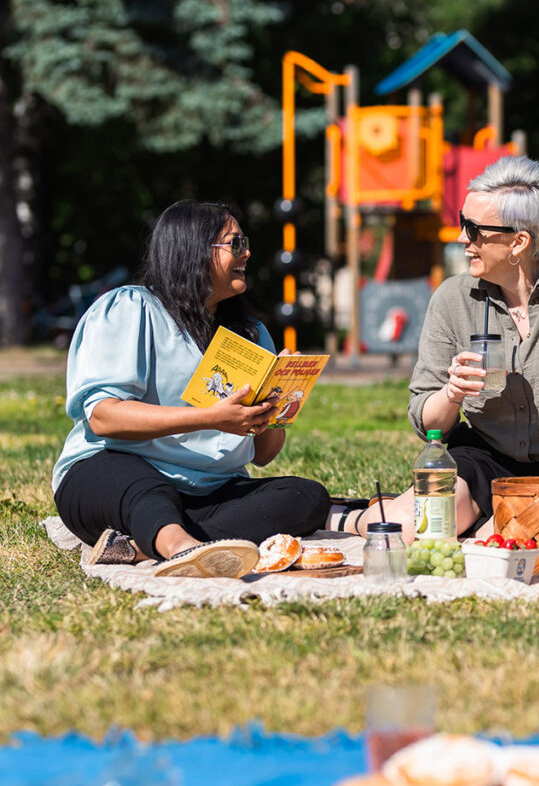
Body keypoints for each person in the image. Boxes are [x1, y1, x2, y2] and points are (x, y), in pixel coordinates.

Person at [333, 155, 539, 542]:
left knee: (511, 539)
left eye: (474, 229)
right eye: (464, 224)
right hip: (484, 458)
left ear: (518, 242)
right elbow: (426, 422)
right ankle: (348, 518)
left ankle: (476, 520)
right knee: (408, 529)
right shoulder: (452, 299)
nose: (463, 239)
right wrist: (452, 392)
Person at [51, 201, 330, 578]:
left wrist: (275, 408)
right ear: (192, 249)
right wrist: (211, 418)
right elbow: (104, 417)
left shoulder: (251, 334)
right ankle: (180, 548)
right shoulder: (132, 308)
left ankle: (137, 547)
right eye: (235, 243)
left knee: (305, 497)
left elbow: (264, 456)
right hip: (113, 474)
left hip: (207, 491)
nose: (247, 253)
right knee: (146, 488)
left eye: (245, 243)